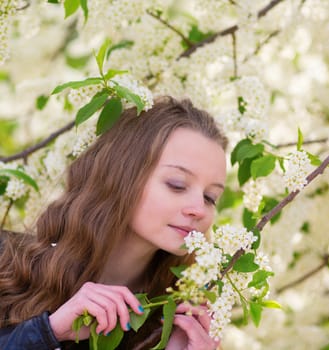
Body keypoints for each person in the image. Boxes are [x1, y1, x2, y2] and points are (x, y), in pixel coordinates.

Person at [0, 96, 227, 350]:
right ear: (122, 175)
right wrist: (48, 331)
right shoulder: (6, 263)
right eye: (177, 184)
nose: (198, 209)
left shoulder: (173, 318)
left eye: (210, 198)